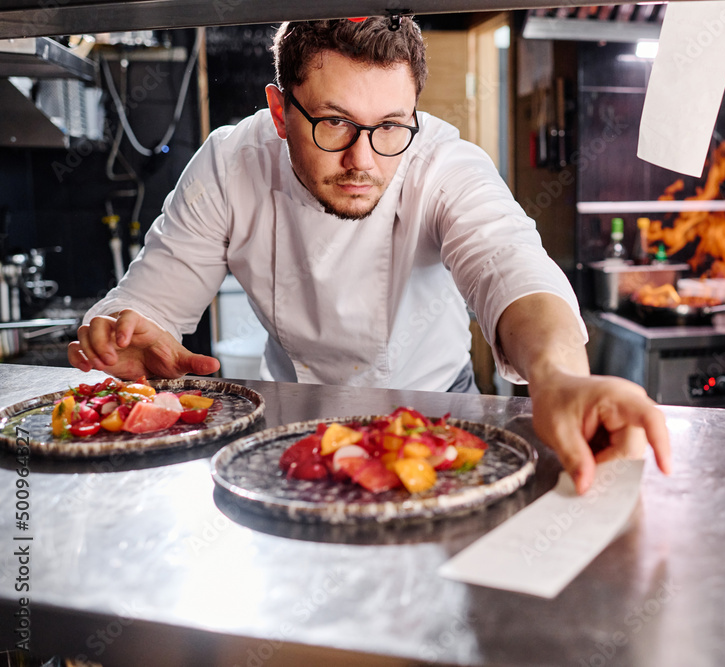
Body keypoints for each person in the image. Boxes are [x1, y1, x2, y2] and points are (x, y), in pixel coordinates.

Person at [68, 18, 669, 493]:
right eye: (333, 123)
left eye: (390, 126)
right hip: (294, 430)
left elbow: (509, 268)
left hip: (439, 419)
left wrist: (559, 375)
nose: (364, 160)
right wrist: (128, 336)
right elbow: (152, 301)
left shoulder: (443, 163)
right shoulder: (231, 164)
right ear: (280, 111)